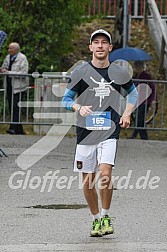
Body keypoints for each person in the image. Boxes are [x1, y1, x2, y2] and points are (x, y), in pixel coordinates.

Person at [62, 29, 138, 237]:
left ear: (110, 48)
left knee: (105, 174)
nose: (100, 46)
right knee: (88, 181)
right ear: (91, 47)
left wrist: (127, 113)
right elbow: (65, 100)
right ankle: (96, 220)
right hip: (86, 133)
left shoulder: (119, 72)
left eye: (105, 42)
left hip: (109, 131)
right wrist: (78, 108)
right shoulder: (81, 72)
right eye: (96, 42)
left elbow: (133, 93)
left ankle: (105, 216)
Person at [0, 42, 29, 134]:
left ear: (16, 49)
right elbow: (4, 67)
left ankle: (12, 127)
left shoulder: (22, 58)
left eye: (10, 49)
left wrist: (9, 72)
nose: (9, 50)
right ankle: (19, 129)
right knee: (11, 107)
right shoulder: (7, 58)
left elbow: (24, 72)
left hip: (18, 87)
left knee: (16, 107)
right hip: (9, 85)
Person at [128, 61, 157, 140]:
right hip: (137, 100)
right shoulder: (136, 76)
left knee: (139, 118)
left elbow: (152, 87)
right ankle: (143, 137)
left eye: (137, 67)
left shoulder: (146, 76)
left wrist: (153, 99)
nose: (136, 69)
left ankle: (135, 135)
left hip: (145, 100)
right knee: (140, 119)